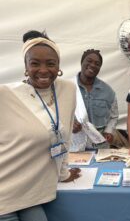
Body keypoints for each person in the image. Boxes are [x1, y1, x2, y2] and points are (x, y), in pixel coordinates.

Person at [0, 30, 81, 221]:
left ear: (59, 65)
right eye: (35, 63)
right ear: (25, 66)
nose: (43, 70)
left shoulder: (68, 90)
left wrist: (63, 173)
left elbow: (65, 138)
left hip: (33, 194)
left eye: (50, 63)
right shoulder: (6, 95)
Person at [71, 49, 128, 150]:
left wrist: (109, 131)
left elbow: (113, 117)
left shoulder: (108, 91)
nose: (93, 65)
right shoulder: (69, 87)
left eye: (97, 64)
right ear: (81, 62)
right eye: (89, 61)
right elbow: (58, 116)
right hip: (75, 148)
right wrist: (69, 125)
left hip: (100, 148)